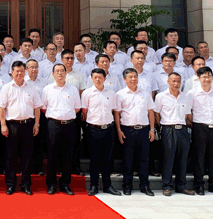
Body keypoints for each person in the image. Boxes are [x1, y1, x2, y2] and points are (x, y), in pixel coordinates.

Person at [0, 61, 42, 195]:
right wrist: (3, 125)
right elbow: (1, 108)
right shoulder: (7, 88)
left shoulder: (31, 87)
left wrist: (37, 124)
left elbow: (37, 107)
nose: (20, 74)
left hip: (28, 124)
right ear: (12, 72)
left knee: (27, 156)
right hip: (12, 125)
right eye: (17, 71)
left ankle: (26, 185)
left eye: (22, 71)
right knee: (10, 156)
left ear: (25, 71)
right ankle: (10, 184)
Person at [114, 68, 156, 196]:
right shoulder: (120, 94)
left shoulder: (145, 93)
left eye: (135, 76)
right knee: (128, 159)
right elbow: (117, 114)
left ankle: (145, 186)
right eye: (130, 77)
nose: (133, 79)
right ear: (124, 79)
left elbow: (150, 112)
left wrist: (152, 129)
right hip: (127, 130)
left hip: (144, 130)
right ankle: (127, 186)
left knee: (144, 159)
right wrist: (119, 130)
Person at [153, 72, 195, 196]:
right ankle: (167, 186)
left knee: (182, 159)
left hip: (182, 129)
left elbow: (187, 114)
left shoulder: (185, 97)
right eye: (173, 81)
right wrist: (162, 127)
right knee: (168, 158)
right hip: (168, 129)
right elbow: (156, 113)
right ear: (168, 82)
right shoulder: (161, 96)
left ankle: (181, 186)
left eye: (178, 81)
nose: (176, 83)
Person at [42, 63, 82, 195]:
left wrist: (66, 116)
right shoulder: (47, 89)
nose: (60, 73)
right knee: (52, 155)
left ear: (66, 73)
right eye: (57, 71)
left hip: (69, 125)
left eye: (62, 71)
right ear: (53, 74)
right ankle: (51, 184)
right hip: (53, 125)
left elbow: (77, 108)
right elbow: (44, 108)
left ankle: (65, 184)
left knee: (67, 156)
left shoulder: (73, 89)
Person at [186, 66, 213, 196]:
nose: (207, 79)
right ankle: (199, 185)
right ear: (198, 78)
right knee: (199, 157)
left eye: (209, 76)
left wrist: (212, 119)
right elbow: (188, 112)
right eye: (203, 76)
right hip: (199, 128)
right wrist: (197, 123)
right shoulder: (192, 93)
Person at [82, 68, 120, 196]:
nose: (98, 79)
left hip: (108, 129)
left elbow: (113, 111)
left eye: (100, 77)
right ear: (92, 79)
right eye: (95, 77)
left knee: (107, 159)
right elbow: (84, 111)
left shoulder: (111, 93)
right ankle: (94, 186)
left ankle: (107, 185)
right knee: (94, 159)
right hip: (93, 129)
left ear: (105, 78)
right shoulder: (87, 93)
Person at [60, 49, 86, 176]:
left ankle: (75, 166)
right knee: (60, 142)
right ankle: (61, 167)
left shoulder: (79, 75)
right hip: (59, 113)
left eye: (71, 58)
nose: (69, 60)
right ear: (61, 60)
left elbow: (82, 94)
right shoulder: (54, 75)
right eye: (67, 58)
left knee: (75, 141)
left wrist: (81, 111)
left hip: (75, 113)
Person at [26, 59, 48, 176]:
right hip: (26, 115)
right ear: (26, 69)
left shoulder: (44, 82)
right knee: (27, 142)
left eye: (36, 67)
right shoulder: (23, 81)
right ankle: (26, 168)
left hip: (41, 114)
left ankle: (38, 168)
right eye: (31, 67)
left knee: (39, 142)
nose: (34, 70)